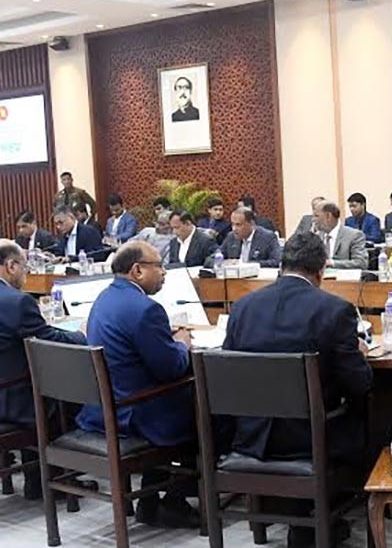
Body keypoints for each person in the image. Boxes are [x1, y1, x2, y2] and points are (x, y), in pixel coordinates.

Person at [223, 231, 372, 548]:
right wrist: (357, 354)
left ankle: (296, 516)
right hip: (310, 438)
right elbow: (359, 383)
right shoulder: (335, 310)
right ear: (321, 271)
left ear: (281, 265)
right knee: (367, 411)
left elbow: (231, 374)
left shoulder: (243, 308)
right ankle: (331, 512)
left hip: (251, 435)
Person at [76, 242, 199, 527]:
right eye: (159, 265)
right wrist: (182, 344)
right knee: (206, 408)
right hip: (134, 413)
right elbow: (171, 369)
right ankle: (175, 499)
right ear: (138, 270)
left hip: (106, 407)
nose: (164, 272)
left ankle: (150, 501)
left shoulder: (104, 299)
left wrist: (163, 341)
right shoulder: (146, 309)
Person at [0, 240, 87, 499]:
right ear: (11, 265)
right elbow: (50, 339)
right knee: (72, 396)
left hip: (6, 389)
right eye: (25, 268)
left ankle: (35, 479)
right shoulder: (17, 302)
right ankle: (57, 480)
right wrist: (83, 335)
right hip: (14, 401)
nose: (26, 275)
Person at [206, 207, 282, 268]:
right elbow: (209, 260)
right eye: (233, 224)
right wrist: (222, 262)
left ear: (251, 224)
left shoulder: (268, 237)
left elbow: (276, 261)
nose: (234, 229)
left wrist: (245, 264)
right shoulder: (231, 237)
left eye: (238, 225)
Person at [315, 202, 368, 270]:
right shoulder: (316, 237)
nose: (313, 219)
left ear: (328, 216)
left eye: (316, 216)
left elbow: (361, 263)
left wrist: (332, 263)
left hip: (344, 279)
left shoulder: (354, 235)